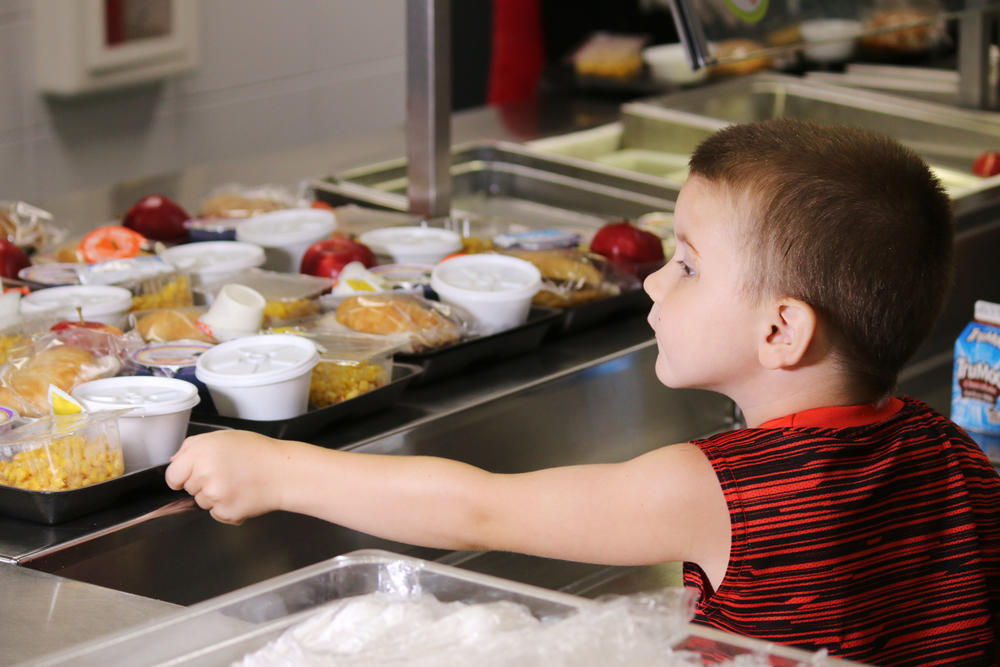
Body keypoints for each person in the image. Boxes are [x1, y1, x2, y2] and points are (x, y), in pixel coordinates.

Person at [166, 118, 1000, 665]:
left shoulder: (720, 491)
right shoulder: (949, 448)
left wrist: (279, 471)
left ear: (780, 331)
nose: (656, 284)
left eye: (689, 264)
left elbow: (477, 510)